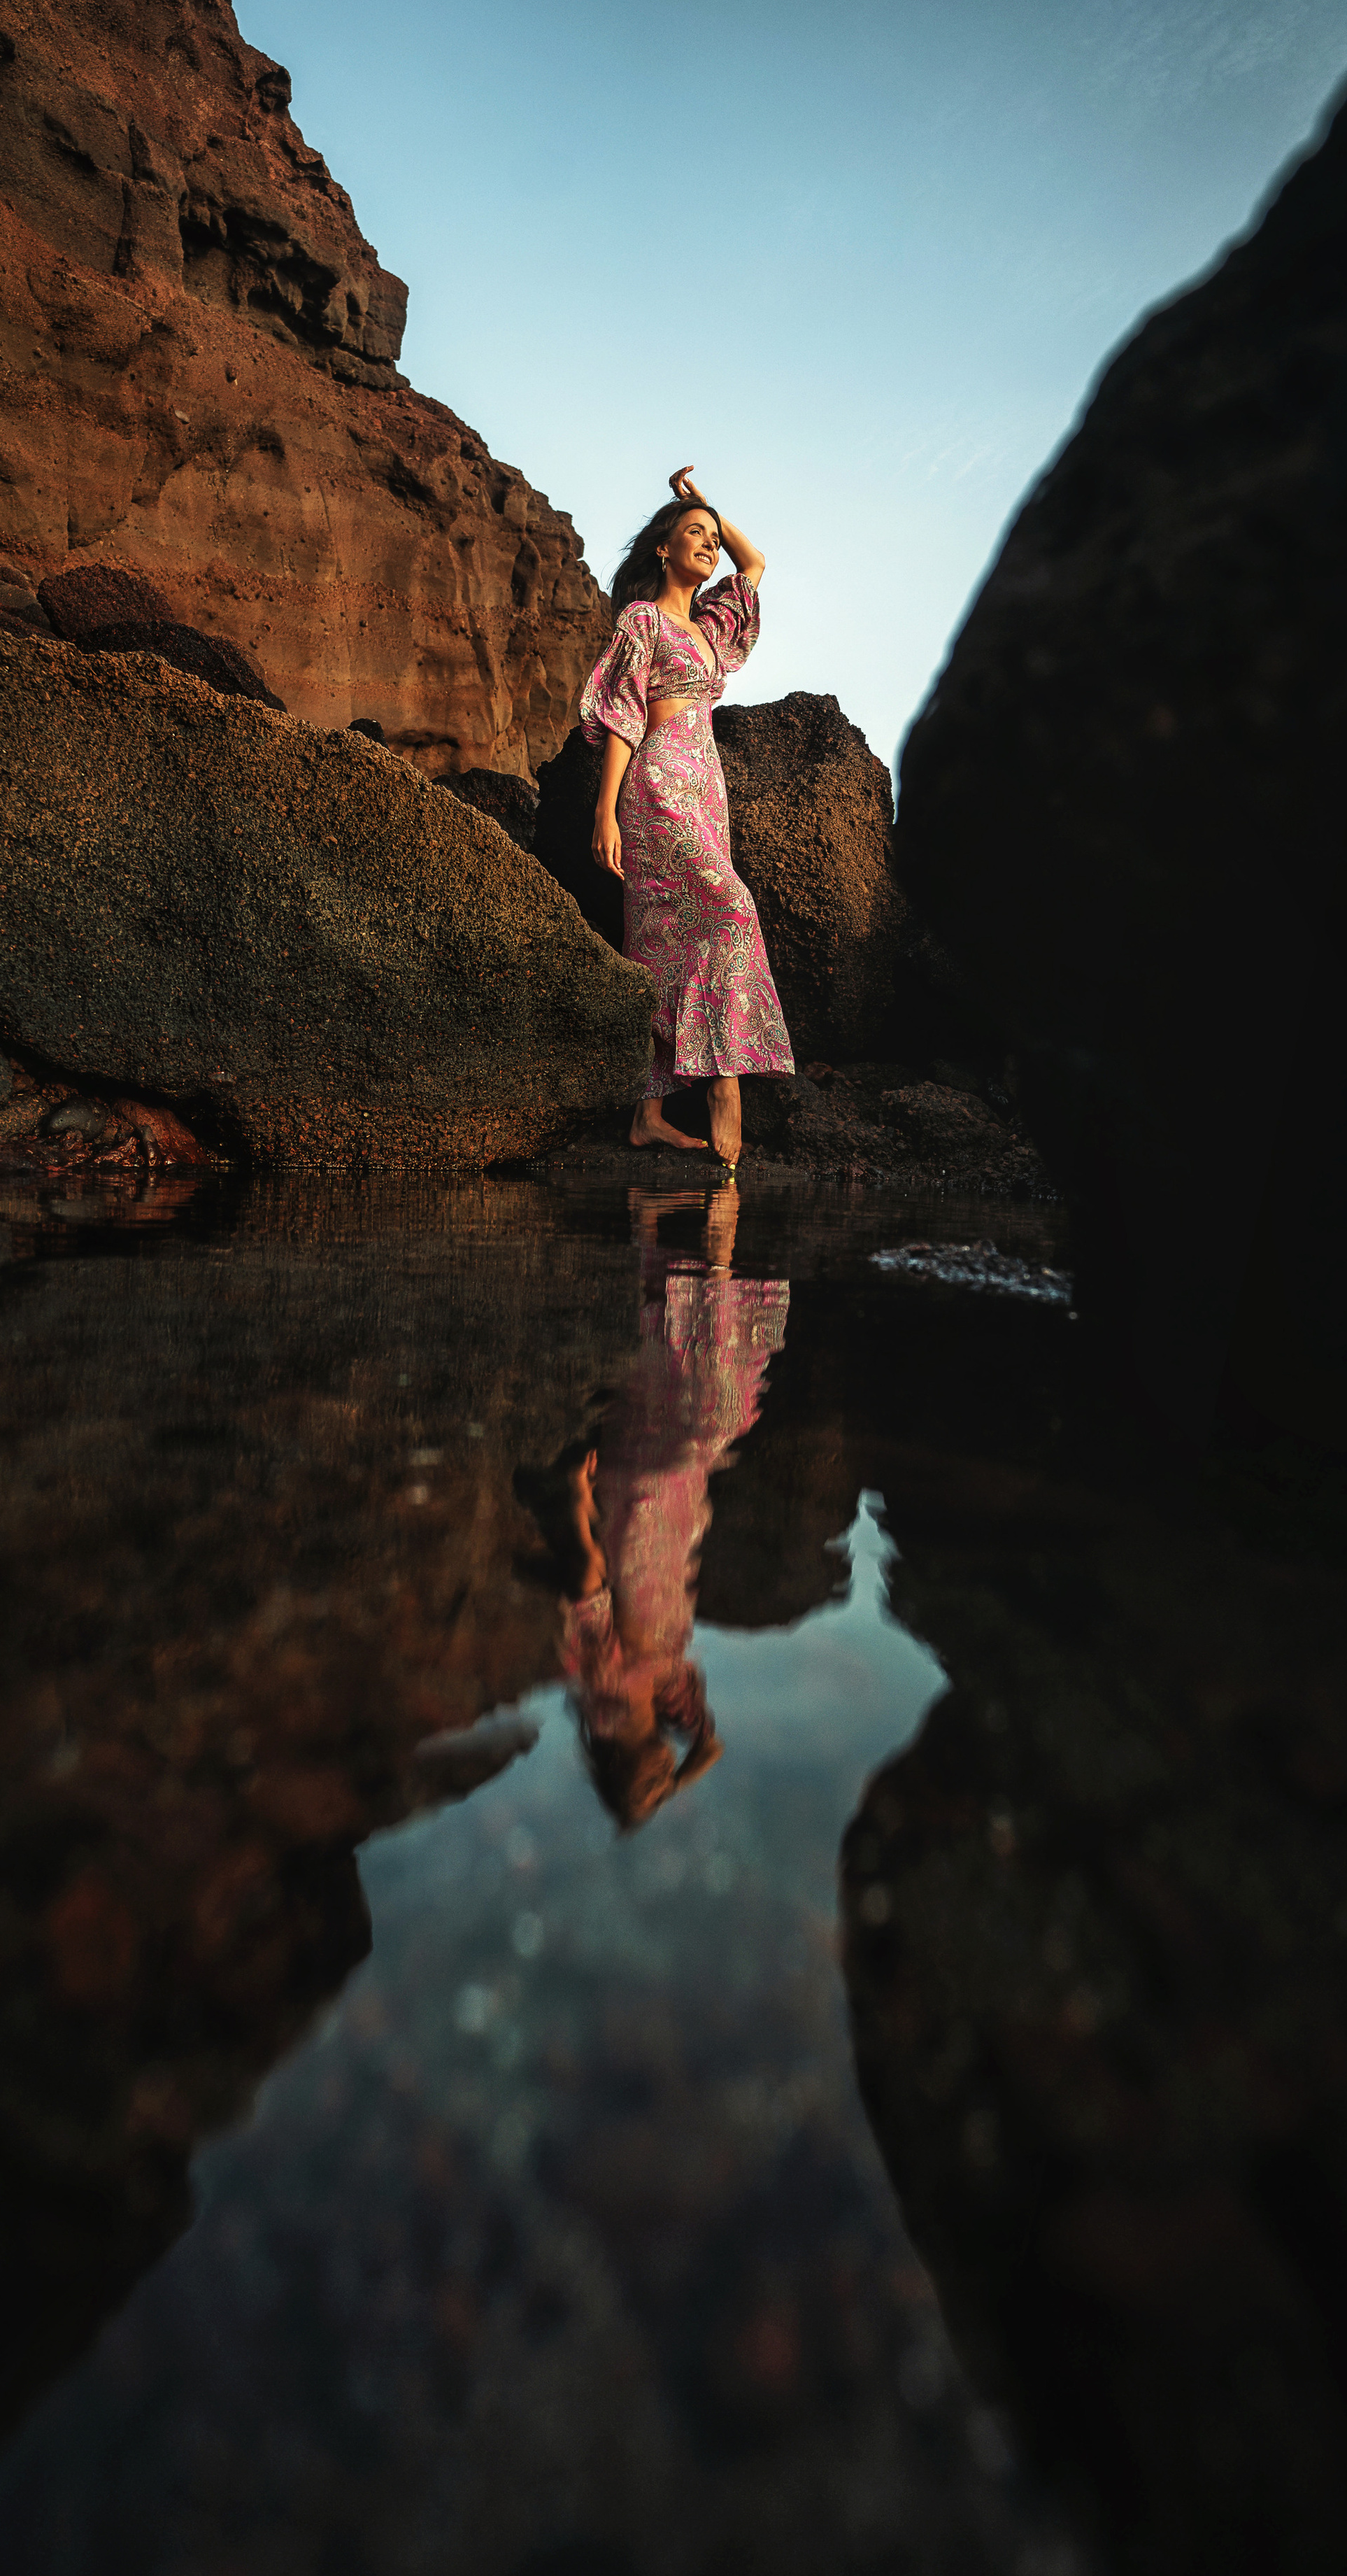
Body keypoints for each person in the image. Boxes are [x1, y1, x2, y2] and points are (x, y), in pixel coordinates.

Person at [514, 1185, 790, 1831]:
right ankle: (685, 1270)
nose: (660, 1786)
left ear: (614, 1768)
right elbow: (711, 1746)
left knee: (694, 1415)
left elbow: (589, 1593)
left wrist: (580, 1502)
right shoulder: (669, 1700)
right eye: (662, 1794)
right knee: (701, 1415)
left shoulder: (609, 1697)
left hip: (635, 1527)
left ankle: (672, 1265)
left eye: (646, 1792)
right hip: (672, 1528)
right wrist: (684, 1773)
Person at [580, 467, 794, 1170]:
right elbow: (621, 715)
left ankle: (646, 1115)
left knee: (661, 943)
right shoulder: (642, 621)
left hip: (708, 791)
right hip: (660, 785)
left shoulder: (711, 628)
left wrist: (701, 505)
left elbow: (755, 562)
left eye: (710, 538)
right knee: (732, 909)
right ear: (661, 553)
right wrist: (606, 812)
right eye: (692, 537)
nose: (707, 544)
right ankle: (724, 1088)